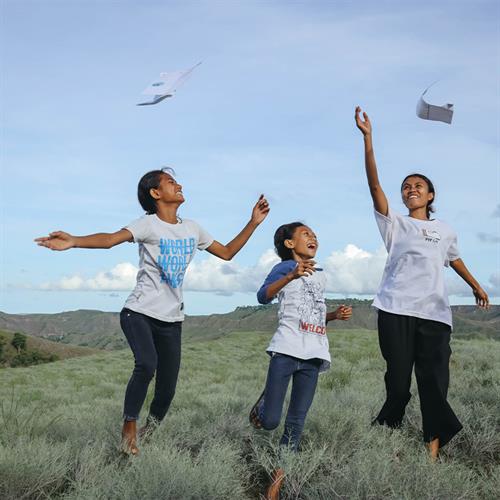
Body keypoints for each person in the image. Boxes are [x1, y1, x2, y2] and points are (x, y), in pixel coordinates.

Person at [35, 167, 270, 455]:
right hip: (139, 312)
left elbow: (227, 252)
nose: (179, 185)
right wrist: (74, 241)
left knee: (167, 389)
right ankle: (129, 426)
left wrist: (253, 223)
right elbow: (110, 239)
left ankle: (150, 430)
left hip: (172, 320)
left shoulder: (193, 228)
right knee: (146, 364)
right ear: (156, 193)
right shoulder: (147, 225)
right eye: (172, 182)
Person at [354, 107, 489, 460]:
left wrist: (475, 285)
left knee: (433, 384)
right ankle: (385, 432)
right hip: (395, 309)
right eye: (406, 187)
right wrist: (368, 139)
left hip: (434, 314)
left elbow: (454, 258)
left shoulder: (445, 230)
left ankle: (432, 449)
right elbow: (373, 185)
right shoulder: (394, 224)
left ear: (430, 196)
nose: (411, 190)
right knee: (398, 385)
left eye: (418, 186)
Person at [249, 222, 352, 499]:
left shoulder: (321, 275)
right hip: (286, 349)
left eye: (315, 235)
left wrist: (333, 316)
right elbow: (262, 296)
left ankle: (276, 484)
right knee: (271, 422)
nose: (313, 238)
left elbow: (313, 312)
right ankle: (262, 406)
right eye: (306, 234)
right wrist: (292, 276)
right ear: (289, 244)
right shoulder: (284, 268)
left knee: (296, 422)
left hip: (314, 355)